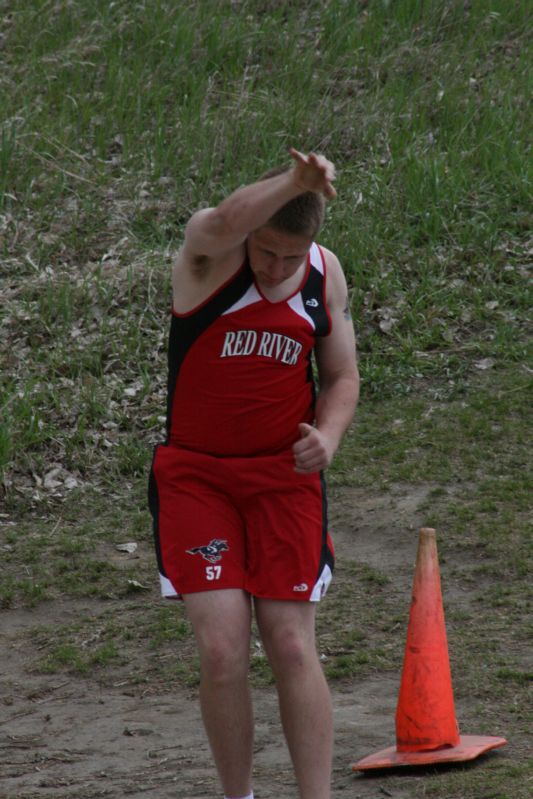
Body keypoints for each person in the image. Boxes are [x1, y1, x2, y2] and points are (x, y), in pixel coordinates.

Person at [148, 148, 359, 799]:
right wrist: (290, 182)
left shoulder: (323, 276)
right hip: (197, 480)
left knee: (291, 645)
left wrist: (326, 435)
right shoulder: (208, 259)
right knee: (221, 647)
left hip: (282, 481)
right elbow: (220, 218)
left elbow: (342, 376)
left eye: (289, 257)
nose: (275, 267)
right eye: (265, 251)